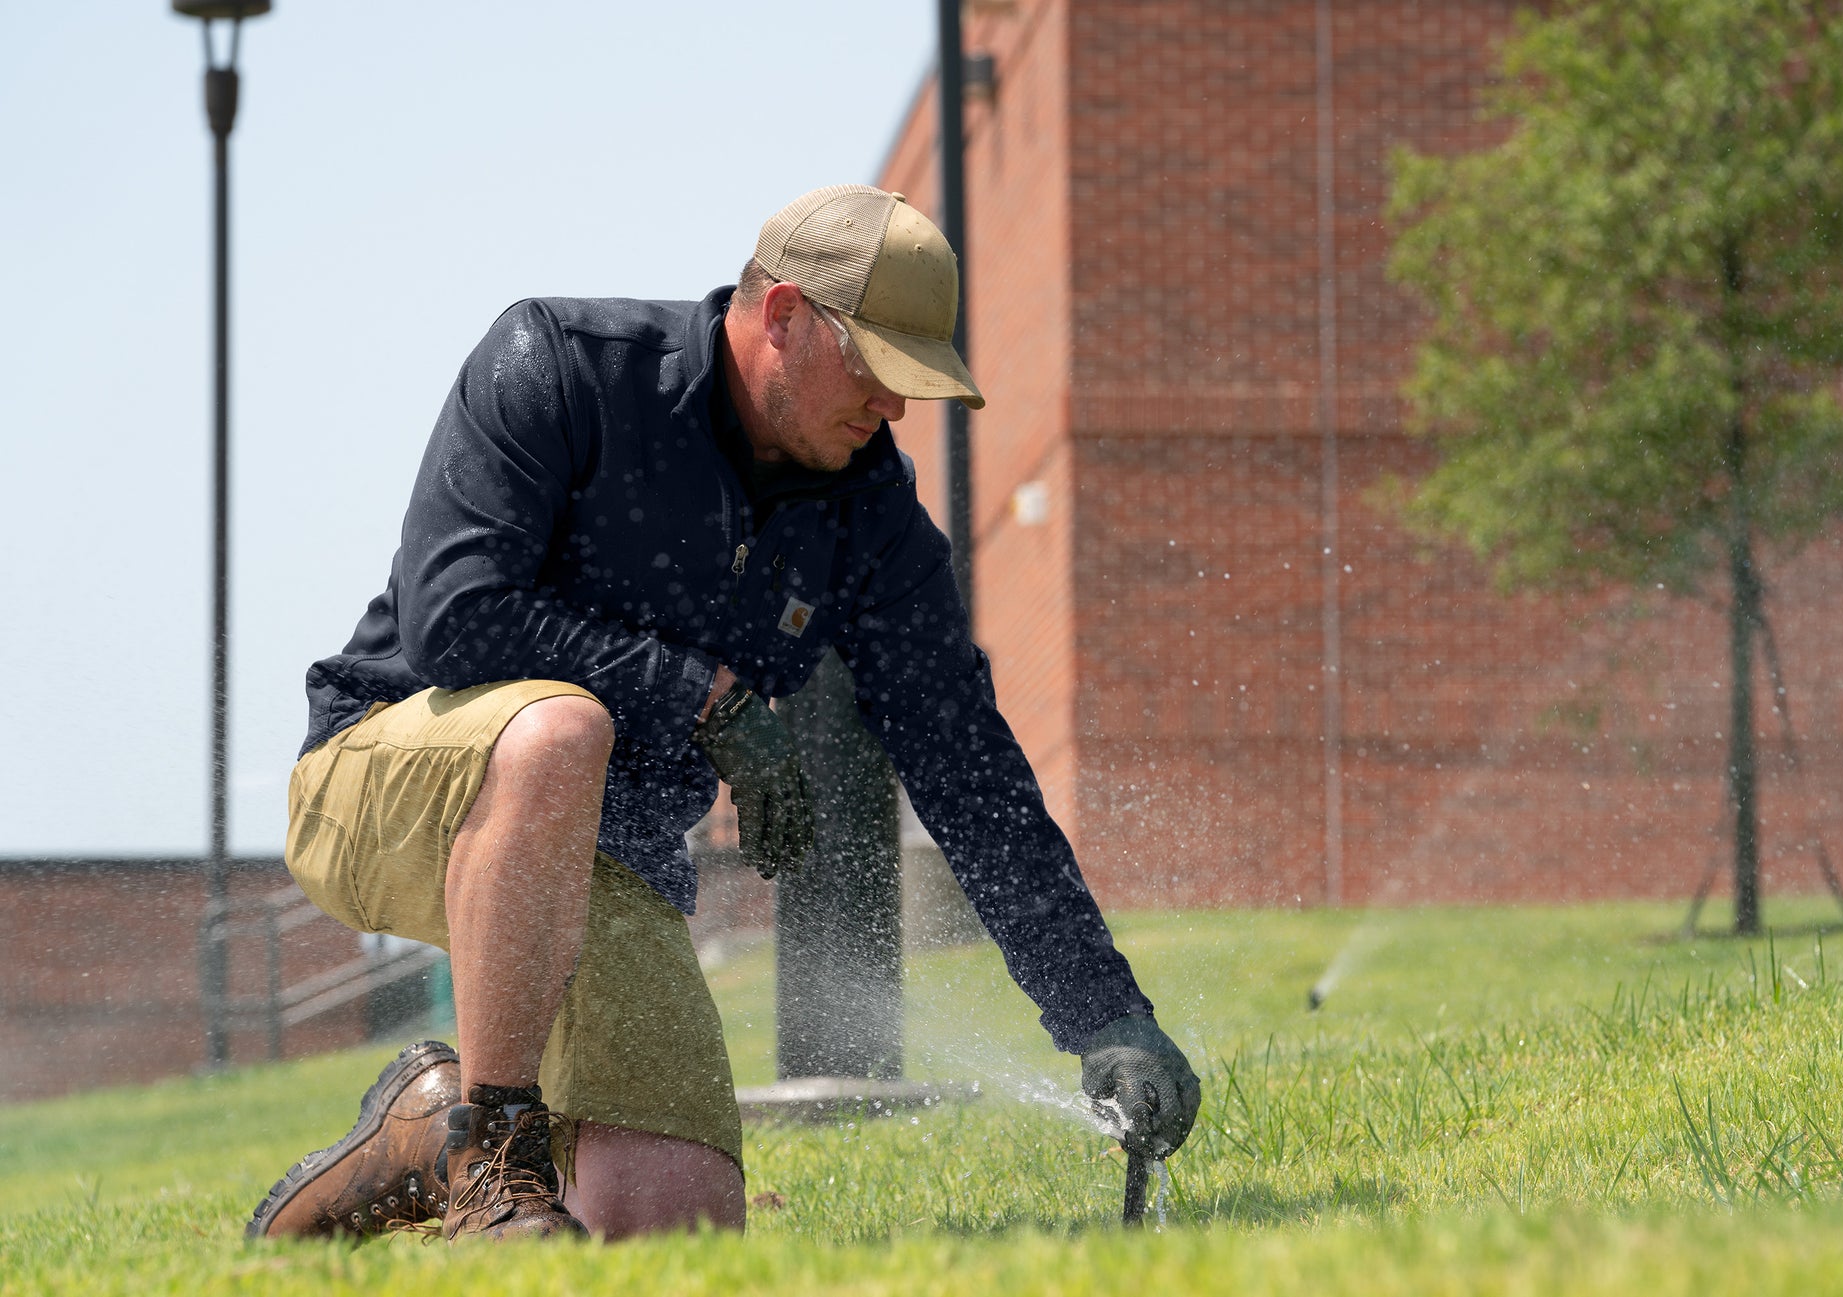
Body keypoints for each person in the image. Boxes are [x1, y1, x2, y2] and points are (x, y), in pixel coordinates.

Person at [244, 185, 1199, 1243]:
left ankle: (422, 1129)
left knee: (670, 1229)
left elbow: (965, 768)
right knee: (563, 730)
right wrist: (703, 695)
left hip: (606, 859)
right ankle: (494, 1152)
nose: (894, 405)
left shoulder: (868, 517)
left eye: (913, 381)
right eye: (877, 367)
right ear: (782, 315)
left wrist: (1104, 1015)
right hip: (383, 780)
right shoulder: (560, 365)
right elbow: (454, 618)